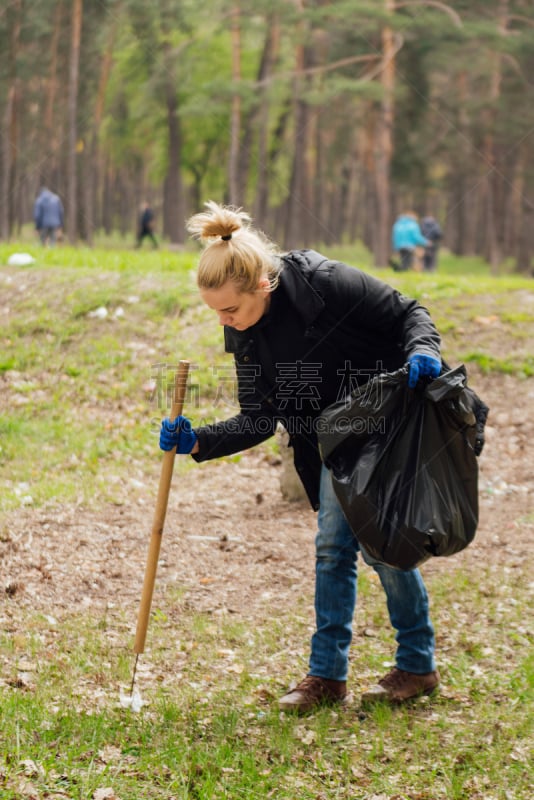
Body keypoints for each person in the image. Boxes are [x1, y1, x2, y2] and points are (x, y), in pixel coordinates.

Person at [159, 201, 442, 713]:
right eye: (216, 313)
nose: (225, 322)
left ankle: (418, 664)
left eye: (230, 310)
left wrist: (424, 349)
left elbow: (408, 312)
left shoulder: (323, 282)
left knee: (382, 547)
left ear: (261, 285)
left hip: (383, 422)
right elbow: (258, 418)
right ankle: (328, 676)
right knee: (333, 549)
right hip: (328, 442)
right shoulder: (243, 330)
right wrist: (197, 440)